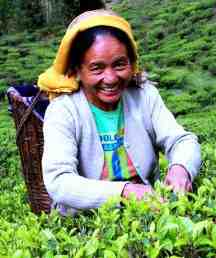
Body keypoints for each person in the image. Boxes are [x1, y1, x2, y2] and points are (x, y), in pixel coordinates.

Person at [38, 10, 201, 215]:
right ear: (77, 70)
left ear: (131, 63)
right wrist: (124, 192)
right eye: (97, 68)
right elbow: (59, 181)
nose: (111, 78)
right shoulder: (64, 110)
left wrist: (181, 168)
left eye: (119, 64)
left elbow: (182, 141)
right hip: (87, 221)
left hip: (148, 213)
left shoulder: (144, 96)